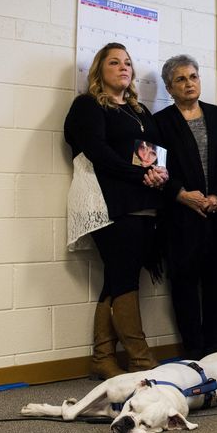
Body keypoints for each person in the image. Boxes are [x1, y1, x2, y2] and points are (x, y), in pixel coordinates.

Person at [64, 42, 168, 378]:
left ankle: (102, 357)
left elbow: (153, 152)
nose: (124, 67)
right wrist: (142, 174)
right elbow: (99, 153)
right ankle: (139, 358)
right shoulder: (89, 105)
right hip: (109, 204)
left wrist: (158, 172)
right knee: (123, 278)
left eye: (127, 62)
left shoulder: (138, 111)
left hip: (142, 203)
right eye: (114, 62)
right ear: (99, 70)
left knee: (117, 278)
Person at [154, 55, 217, 361]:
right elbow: (155, 168)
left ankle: (213, 351)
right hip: (180, 217)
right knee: (184, 285)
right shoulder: (160, 123)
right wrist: (181, 194)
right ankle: (193, 351)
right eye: (180, 79)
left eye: (193, 76)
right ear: (169, 87)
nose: (189, 83)